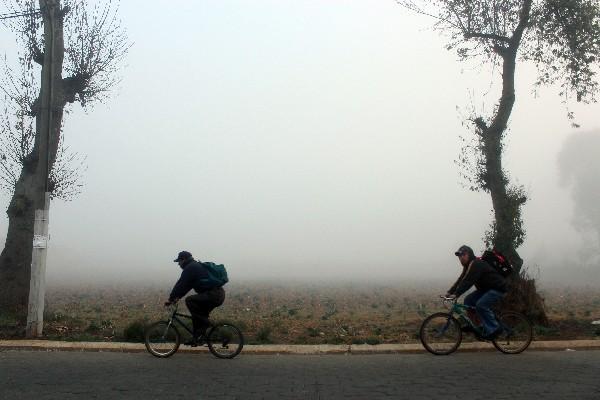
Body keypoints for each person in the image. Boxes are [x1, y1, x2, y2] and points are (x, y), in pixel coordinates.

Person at [446, 245, 507, 340]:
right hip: (485, 290)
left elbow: (468, 282)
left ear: (469, 255)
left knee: (481, 305)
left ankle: (494, 329)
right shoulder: (468, 266)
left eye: (463, 255)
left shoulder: (476, 264)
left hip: (497, 288)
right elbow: (461, 279)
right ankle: (480, 326)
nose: (460, 258)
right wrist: (449, 292)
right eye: (459, 256)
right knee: (468, 300)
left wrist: (456, 294)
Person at [165, 251, 226, 346]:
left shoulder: (191, 268)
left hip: (214, 295)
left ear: (184, 259)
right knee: (197, 316)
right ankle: (197, 338)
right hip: (216, 294)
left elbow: (181, 284)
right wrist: (176, 298)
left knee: (190, 300)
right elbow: (186, 287)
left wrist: (171, 299)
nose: (178, 264)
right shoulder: (193, 266)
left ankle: (206, 324)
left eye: (179, 261)